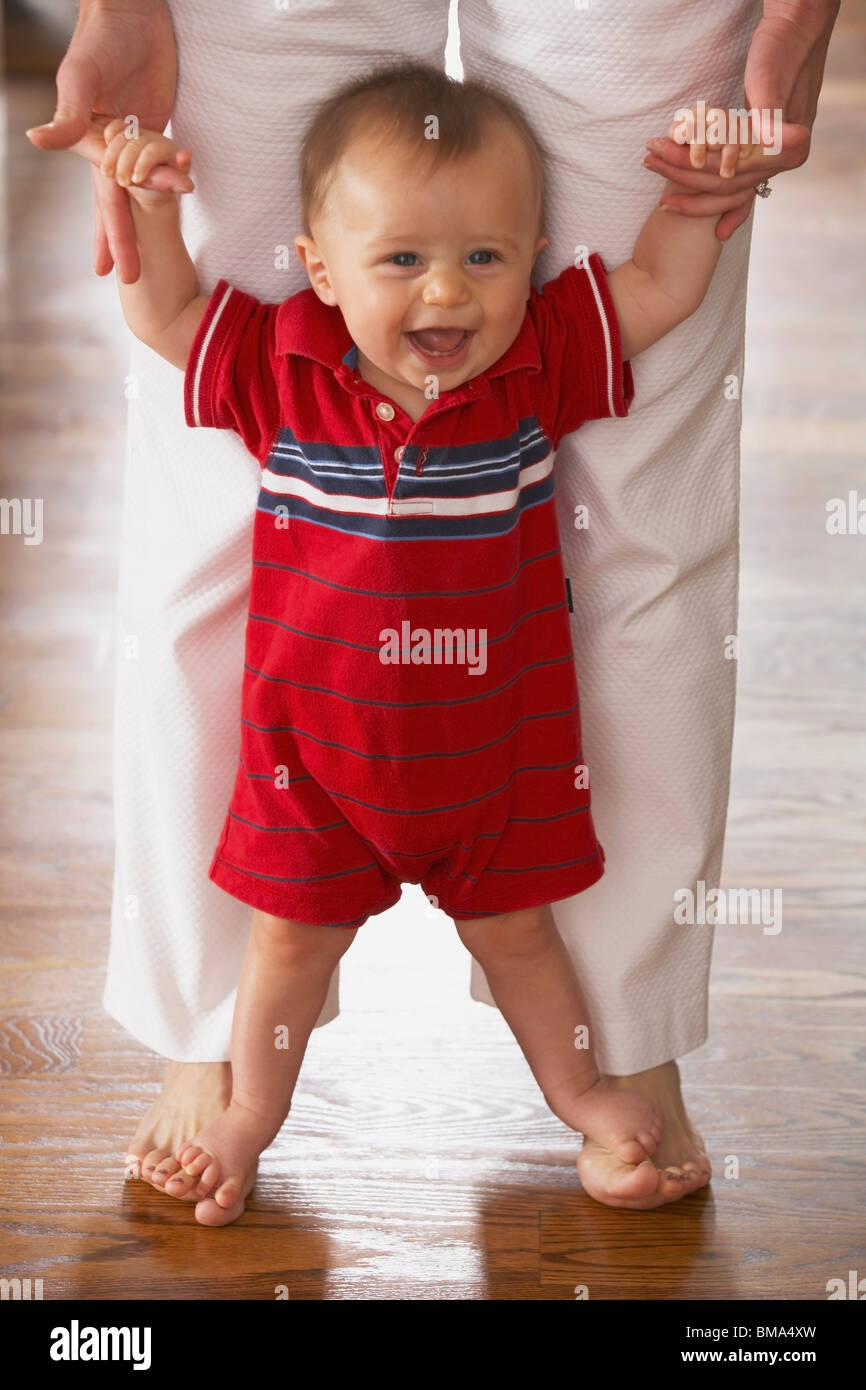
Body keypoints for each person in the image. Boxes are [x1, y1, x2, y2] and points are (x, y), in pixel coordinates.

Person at [26, 0, 840, 1213]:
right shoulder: (278, 360)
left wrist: (694, 193)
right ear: (318, 271)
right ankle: (238, 1105)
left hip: (500, 775)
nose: (446, 296)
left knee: (526, 945)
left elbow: (658, 288)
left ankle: (604, 1090)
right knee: (283, 946)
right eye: (400, 261)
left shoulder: (539, 354)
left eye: (484, 258)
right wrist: (149, 194)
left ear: (532, 258)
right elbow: (164, 316)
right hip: (312, 774)